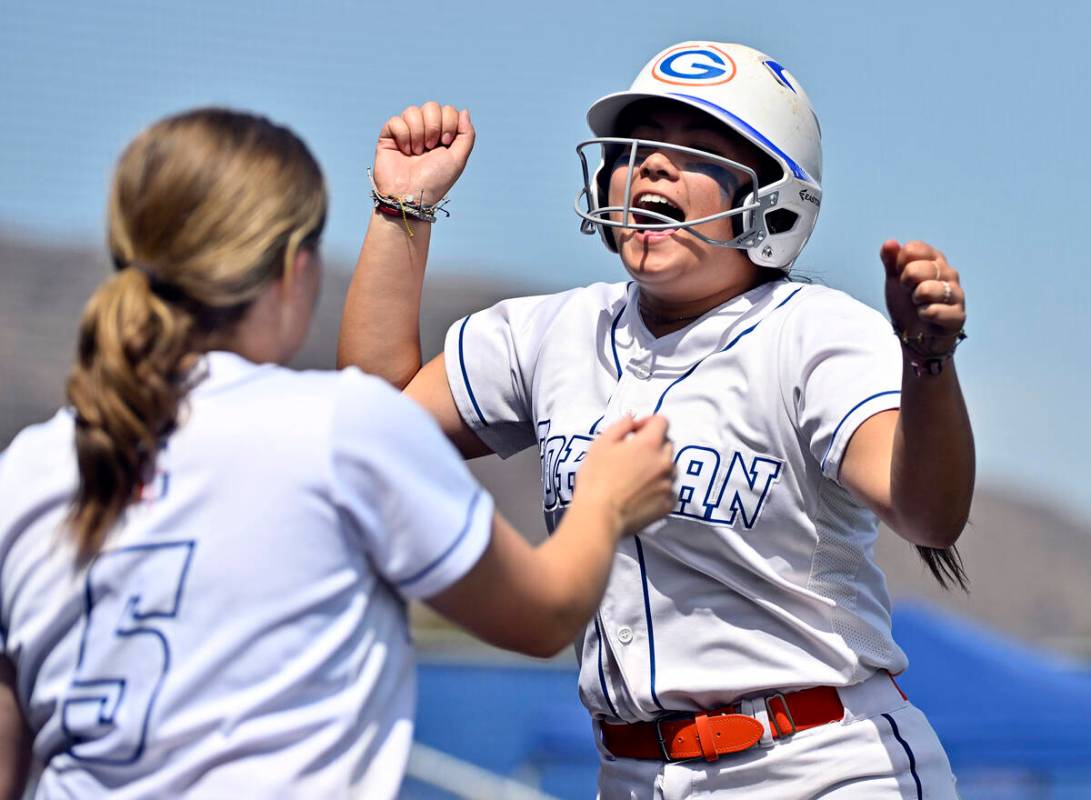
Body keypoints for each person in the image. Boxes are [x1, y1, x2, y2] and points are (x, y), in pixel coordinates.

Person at [339, 40, 974, 798]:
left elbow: (929, 515)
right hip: (631, 772)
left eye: (697, 149)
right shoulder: (553, 332)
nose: (652, 167)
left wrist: (926, 361)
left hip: (819, 763)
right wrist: (400, 209)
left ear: (774, 201)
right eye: (636, 149)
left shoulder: (814, 332)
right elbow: (374, 424)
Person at [0, 107, 678, 800]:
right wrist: (604, 501)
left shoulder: (27, 468)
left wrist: (405, 206)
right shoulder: (340, 431)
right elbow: (540, 617)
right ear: (295, 267)